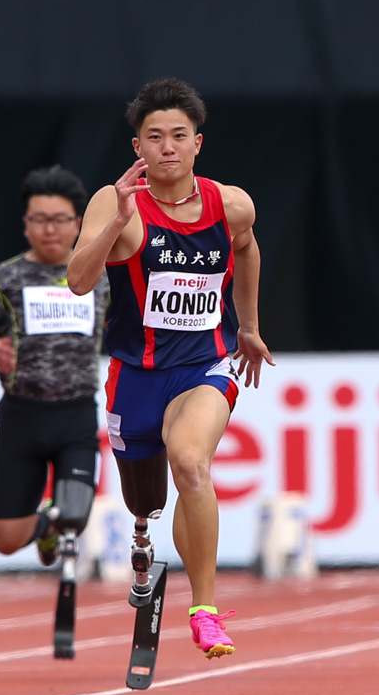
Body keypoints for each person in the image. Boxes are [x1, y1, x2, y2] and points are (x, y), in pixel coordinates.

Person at [67, 78, 274, 659]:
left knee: (191, 462)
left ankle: (205, 610)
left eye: (178, 137)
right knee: (145, 500)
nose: (166, 148)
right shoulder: (115, 201)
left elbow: (248, 248)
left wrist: (250, 327)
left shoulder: (230, 203)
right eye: (153, 138)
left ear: (197, 144)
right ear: (138, 147)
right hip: (136, 374)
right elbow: (79, 281)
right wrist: (116, 220)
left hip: (203, 368)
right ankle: (140, 536)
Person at [0, 165, 109, 569]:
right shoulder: (4, 278)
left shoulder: (101, 276)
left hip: (76, 413)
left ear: (78, 223)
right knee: (5, 541)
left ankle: (60, 524)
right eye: (39, 220)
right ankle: (44, 527)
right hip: (21, 418)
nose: (50, 230)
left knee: (75, 516)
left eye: (60, 220)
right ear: (25, 224)